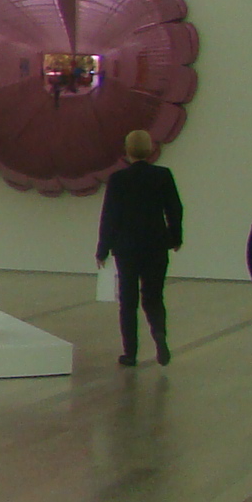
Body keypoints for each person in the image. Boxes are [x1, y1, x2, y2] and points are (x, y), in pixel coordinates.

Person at [96, 129, 181, 367]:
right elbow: (175, 208)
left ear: (127, 150)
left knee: (128, 301)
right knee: (153, 296)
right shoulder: (163, 175)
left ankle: (130, 353)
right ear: (151, 149)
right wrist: (175, 238)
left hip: (127, 247)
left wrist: (103, 249)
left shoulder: (118, 179)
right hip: (156, 245)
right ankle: (159, 334)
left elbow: (110, 216)